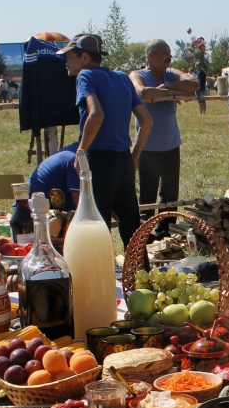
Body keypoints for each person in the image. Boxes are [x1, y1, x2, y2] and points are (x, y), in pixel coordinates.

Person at [58, 32, 152, 248]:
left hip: (99, 161)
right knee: (131, 226)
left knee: (96, 226)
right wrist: (134, 156)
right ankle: (141, 276)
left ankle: (99, 277)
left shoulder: (86, 77)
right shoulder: (122, 77)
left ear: (84, 58)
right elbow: (147, 121)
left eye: (69, 57)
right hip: (122, 160)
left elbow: (96, 115)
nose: (66, 63)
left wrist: (81, 151)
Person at [129, 39, 199, 232]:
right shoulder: (137, 74)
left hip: (171, 146)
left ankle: (167, 233)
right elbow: (142, 92)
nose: (169, 56)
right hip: (148, 147)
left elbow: (194, 83)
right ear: (151, 56)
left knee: (170, 196)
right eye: (164, 53)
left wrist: (166, 89)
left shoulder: (171, 74)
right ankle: (144, 236)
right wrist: (176, 92)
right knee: (148, 197)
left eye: (170, 52)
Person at [29, 142, 80, 210]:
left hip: (32, 204)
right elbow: (80, 205)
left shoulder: (68, 154)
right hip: (35, 209)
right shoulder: (75, 161)